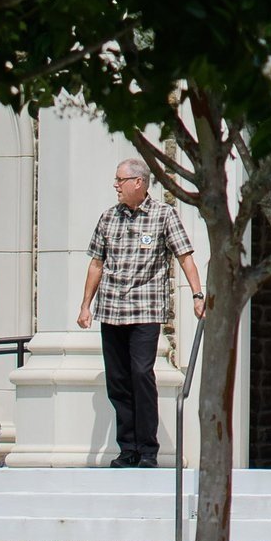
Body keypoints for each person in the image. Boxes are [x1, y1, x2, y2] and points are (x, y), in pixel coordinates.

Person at [77, 157, 204, 469]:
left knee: (141, 374)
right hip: (111, 311)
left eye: (120, 180)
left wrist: (197, 294)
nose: (116, 186)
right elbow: (96, 263)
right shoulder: (109, 218)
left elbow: (185, 256)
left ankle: (148, 449)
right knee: (118, 380)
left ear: (139, 182)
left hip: (145, 311)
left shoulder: (163, 215)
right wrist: (85, 305)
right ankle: (128, 449)